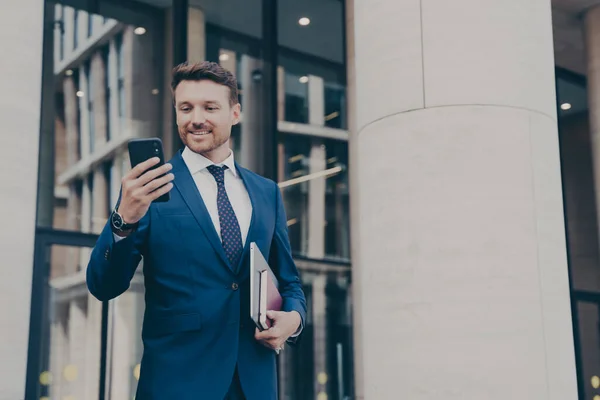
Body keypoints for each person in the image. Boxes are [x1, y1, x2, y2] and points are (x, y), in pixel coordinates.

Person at [86, 61, 307, 400]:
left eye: (210, 107)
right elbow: (104, 285)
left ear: (235, 113)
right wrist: (123, 219)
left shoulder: (266, 192)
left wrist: (294, 319)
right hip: (177, 383)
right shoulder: (149, 188)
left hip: (254, 382)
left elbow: (289, 281)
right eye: (186, 108)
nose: (196, 118)